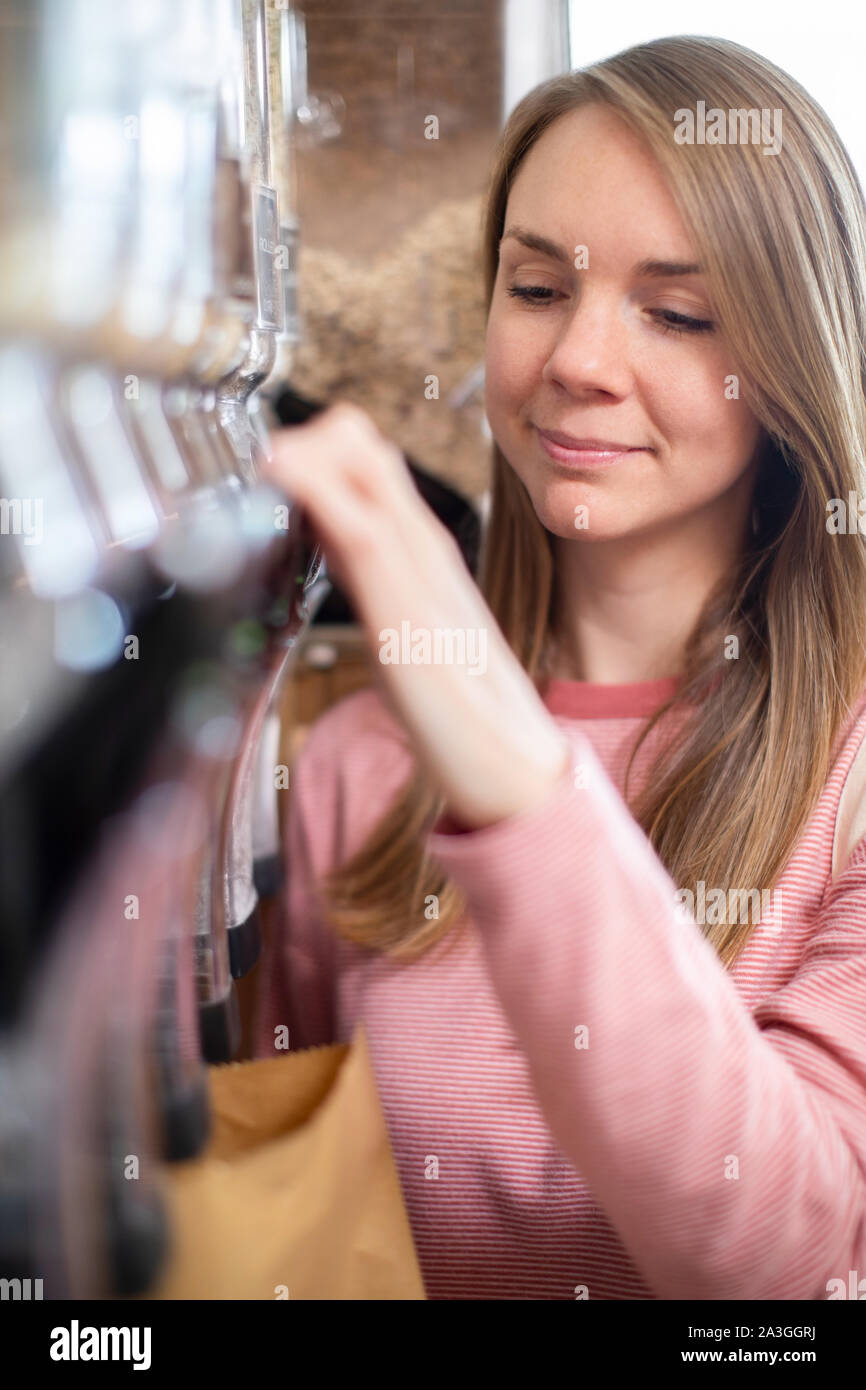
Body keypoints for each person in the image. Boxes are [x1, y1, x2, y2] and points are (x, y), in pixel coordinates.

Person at [253, 34, 866, 1300]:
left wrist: (523, 782)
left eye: (676, 312)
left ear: (793, 367)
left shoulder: (849, 766)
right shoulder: (359, 762)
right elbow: (295, 1219)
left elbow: (784, 1264)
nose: (577, 363)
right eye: (536, 289)